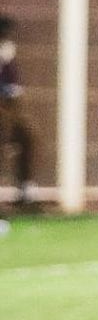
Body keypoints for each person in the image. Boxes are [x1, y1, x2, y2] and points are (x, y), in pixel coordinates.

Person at [0, 15, 37, 208]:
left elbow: (14, 87)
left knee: (28, 138)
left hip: (9, 107)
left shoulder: (7, 56)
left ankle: (25, 191)